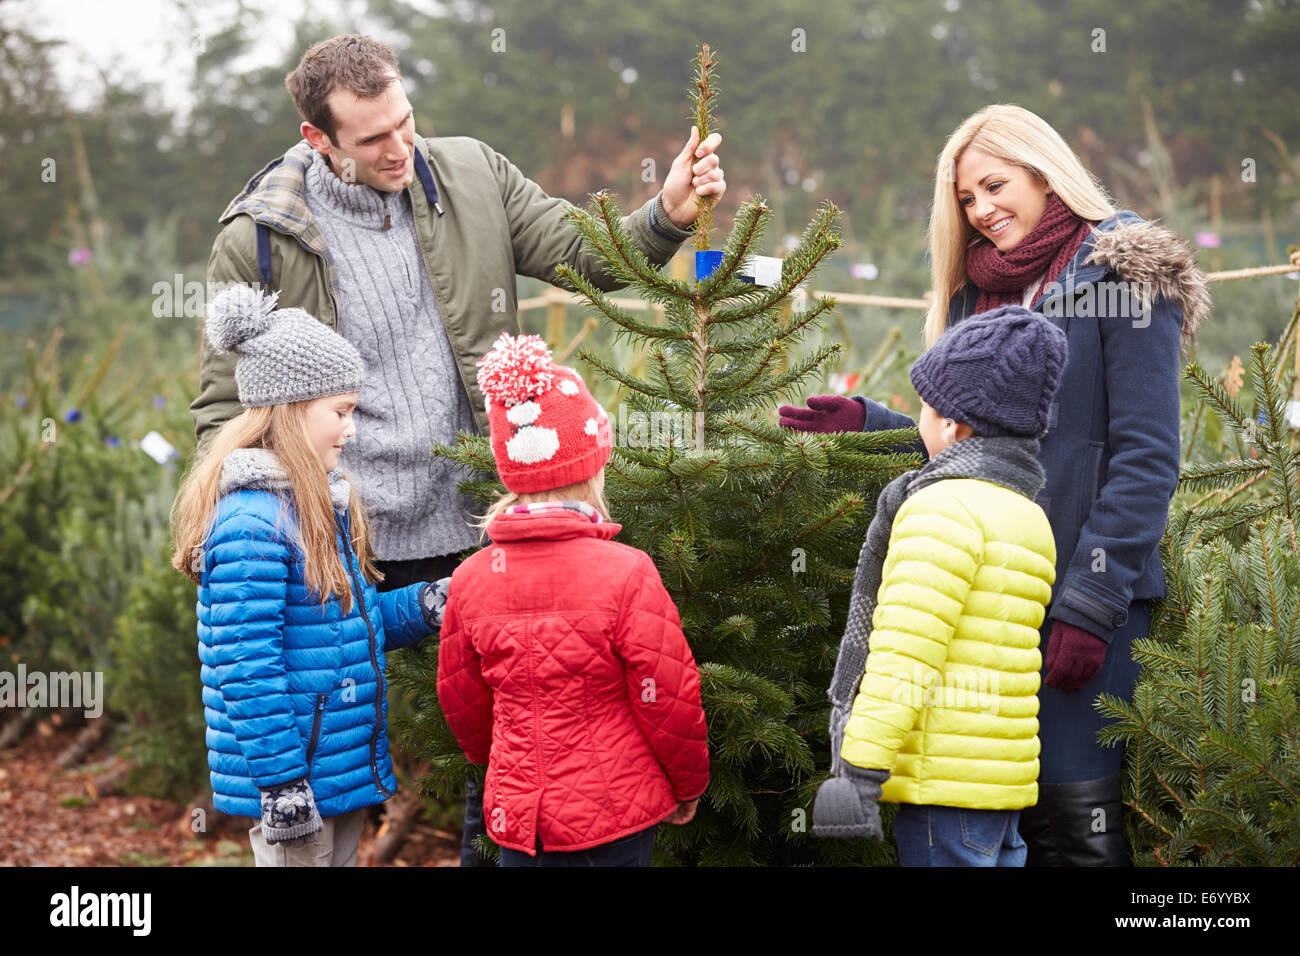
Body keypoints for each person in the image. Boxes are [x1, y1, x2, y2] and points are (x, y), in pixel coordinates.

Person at [189, 34, 726, 865]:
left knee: (508, 743)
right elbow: (227, 403)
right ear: (317, 140)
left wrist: (670, 216)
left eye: (405, 121)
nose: (399, 147)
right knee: (334, 751)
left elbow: (582, 255)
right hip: (350, 540)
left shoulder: (473, 172)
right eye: (372, 139)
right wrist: (231, 527)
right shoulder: (259, 236)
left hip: (480, 523)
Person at [783, 104, 1210, 865]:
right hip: (986, 593)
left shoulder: (1124, 272)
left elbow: (1147, 455)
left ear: (1044, 173)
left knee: (1074, 817)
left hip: (1086, 593)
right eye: (966, 199)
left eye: (993, 185)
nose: (981, 211)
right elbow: (963, 434)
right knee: (989, 804)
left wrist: (1091, 601)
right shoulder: (969, 291)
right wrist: (872, 423)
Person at [172, 285, 451, 867]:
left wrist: (427, 605)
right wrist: (281, 786)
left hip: (335, 766)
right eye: (341, 412)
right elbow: (246, 667)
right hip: (297, 780)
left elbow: (345, 625)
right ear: (292, 408)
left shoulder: (318, 503)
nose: (352, 430)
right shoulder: (253, 521)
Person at [436, 333, 710, 866]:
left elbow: (462, 700)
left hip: (521, 822)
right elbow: (667, 694)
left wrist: (499, 760)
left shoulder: (471, 578)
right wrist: (688, 783)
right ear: (592, 469)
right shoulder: (627, 571)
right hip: (616, 815)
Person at [812, 308, 1066, 866]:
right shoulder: (1025, 512)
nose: (918, 422)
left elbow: (905, 655)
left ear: (951, 422)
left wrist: (857, 771)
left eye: (924, 407)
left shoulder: (941, 509)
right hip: (998, 787)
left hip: (940, 789)